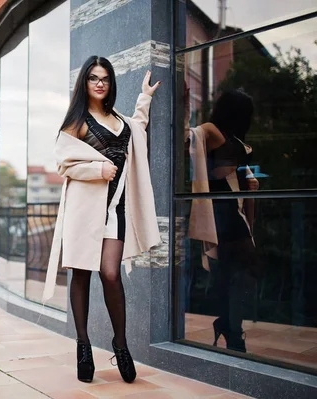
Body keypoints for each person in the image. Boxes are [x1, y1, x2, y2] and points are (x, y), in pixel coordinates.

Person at [43, 56, 162, 383]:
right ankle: (83, 345)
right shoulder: (77, 122)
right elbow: (63, 165)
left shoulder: (120, 120)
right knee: (81, 273)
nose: (99, 83)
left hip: (116, 209)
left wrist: (145, 97)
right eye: (93, 78)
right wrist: (97, 170)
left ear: (111, 83)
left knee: (110, 274)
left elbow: (138, 129)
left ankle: (120, 344)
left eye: (105, 78)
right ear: (85, 83)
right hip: (84, 211)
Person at [185, 87, 260, 353]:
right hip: (221, 211)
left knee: (235, 274)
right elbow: (189, 138)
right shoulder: (212, 130)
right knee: (244, 268)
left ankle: (229, 327)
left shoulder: (230, 136)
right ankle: (231, 329)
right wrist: (184, 105)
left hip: (231, 209)